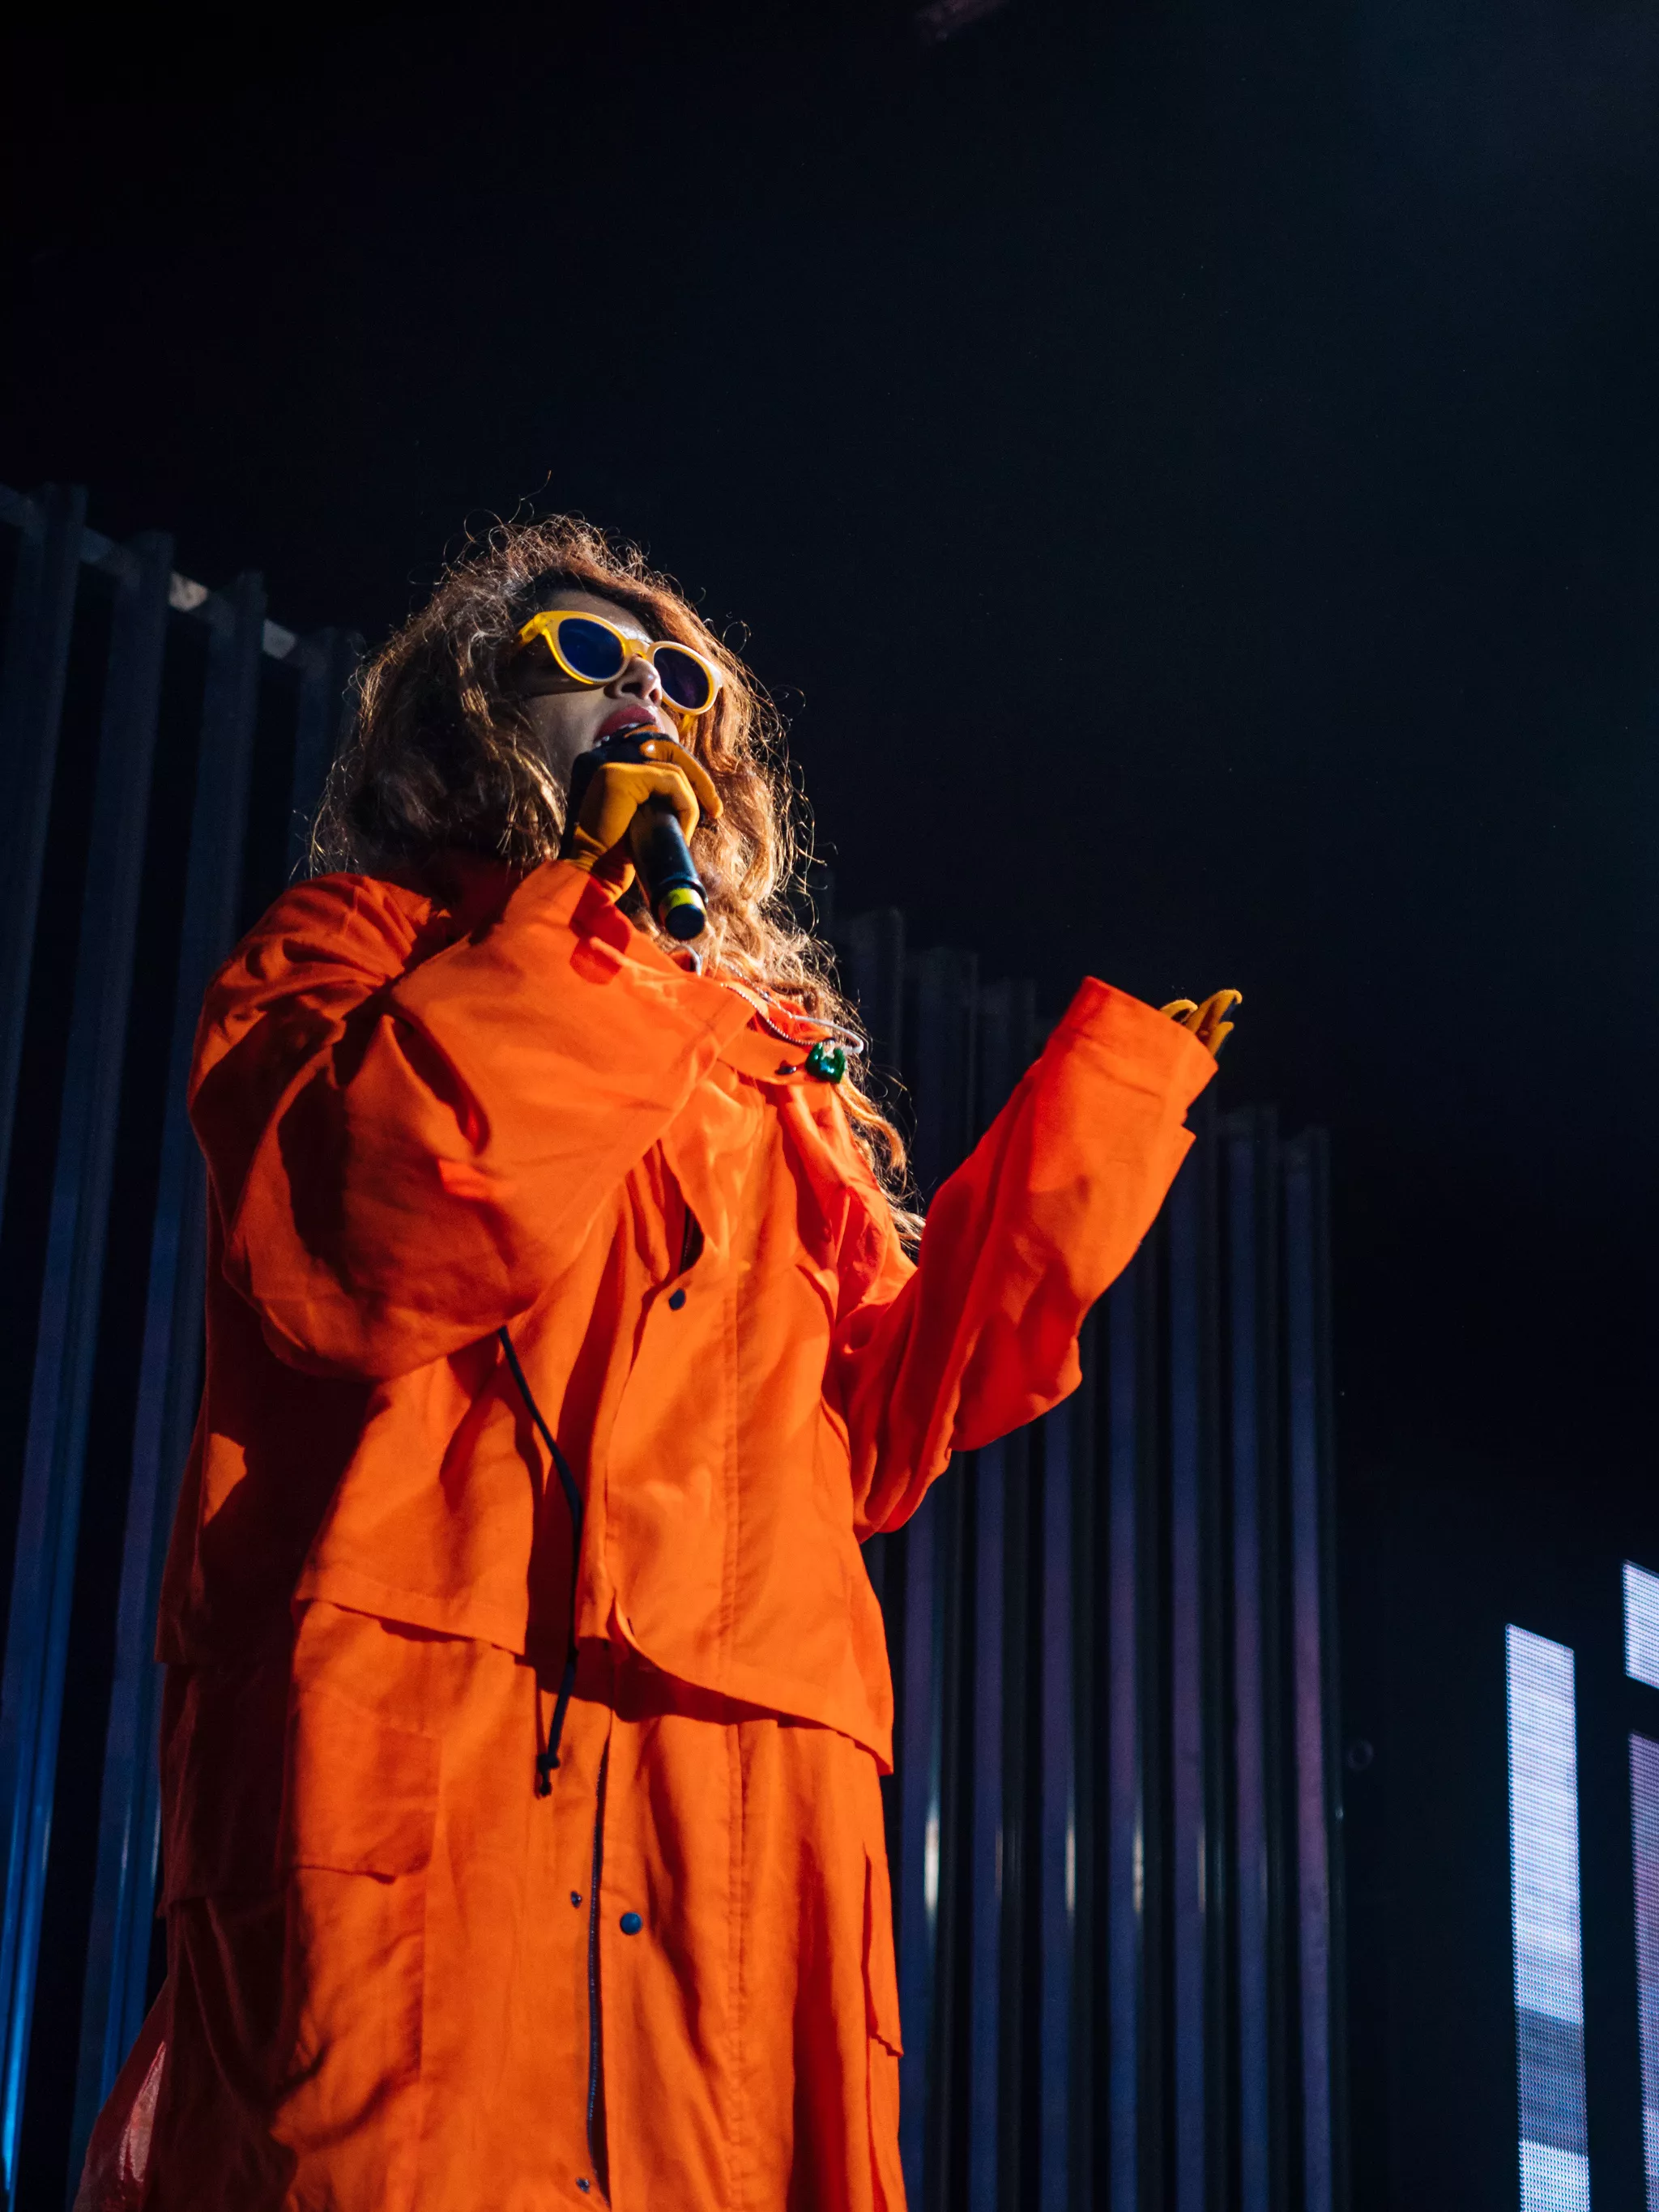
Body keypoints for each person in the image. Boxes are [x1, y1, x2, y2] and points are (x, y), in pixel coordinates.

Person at [78, 518, 1235, 2212]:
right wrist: (596, 929)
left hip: (739, 1775)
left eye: (684, 680)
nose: (648, 694)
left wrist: (1098, 1129)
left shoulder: (773, 1074)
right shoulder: (349, 955)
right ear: (475, 710)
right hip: (434, 1721)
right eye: (586, 656)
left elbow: (877, 1435)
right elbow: (372, 1237)